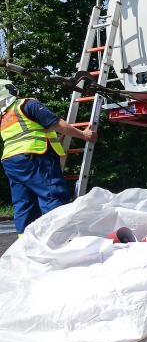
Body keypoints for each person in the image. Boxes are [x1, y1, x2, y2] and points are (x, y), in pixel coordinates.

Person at [0, 80, 97, 236]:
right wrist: (83, 134)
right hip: (34, 157)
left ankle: (25, 244)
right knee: (53, 195)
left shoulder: (4, 118)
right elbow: (56, 124)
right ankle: (59, 239)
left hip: (12, 162)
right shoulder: (27, 105)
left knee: (24, 204)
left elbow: (31, 133)